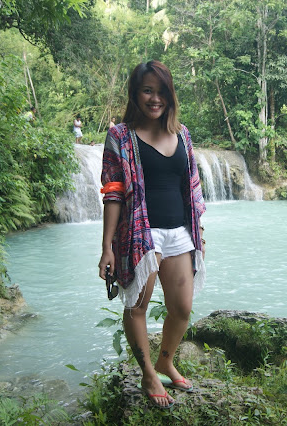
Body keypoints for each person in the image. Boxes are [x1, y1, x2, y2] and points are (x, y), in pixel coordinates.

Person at [98, 60, 206, 409]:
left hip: (179, 232)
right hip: (139, 234)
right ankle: (147, 373)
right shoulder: (120, 137)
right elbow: (113, 192)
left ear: (170, 95)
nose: (154, 98)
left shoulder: (183, 135)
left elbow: (192, 187)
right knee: (137, 307)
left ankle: (165, 360)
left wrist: (198, 233)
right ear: (135, 93)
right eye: (147, 90)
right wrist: (107, 248)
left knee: (183, 309)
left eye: (160, 91)